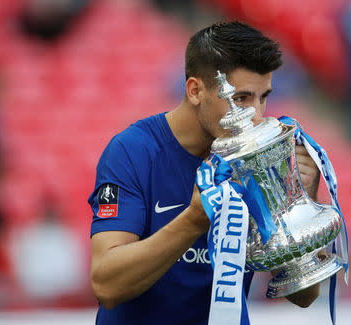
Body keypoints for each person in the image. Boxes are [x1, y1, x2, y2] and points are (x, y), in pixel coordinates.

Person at [88, 21, 321, 325]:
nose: (257, 116)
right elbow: (107, 285)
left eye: (263, 97)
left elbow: (304, 295)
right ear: (196, 91)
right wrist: (195, 219)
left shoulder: (260, 157)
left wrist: (300, 202)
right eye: (241, 99)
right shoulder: (133, 152)